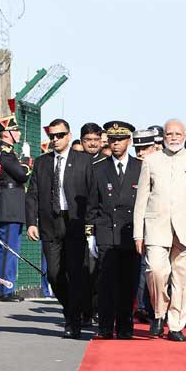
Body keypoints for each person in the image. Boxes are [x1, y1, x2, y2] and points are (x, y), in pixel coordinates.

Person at [133, 119, 186, 342]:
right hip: (156, 227)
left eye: (178, 134)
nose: (174, 137)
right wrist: (138, 233)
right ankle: (159, 312)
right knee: (156, 271)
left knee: (183, 279)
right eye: (169, 134)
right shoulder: (151, 161)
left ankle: (176, 324)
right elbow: (141, 200)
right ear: (163, 137)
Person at [26, 119, 94, 339]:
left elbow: (93, 193)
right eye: (51, 135)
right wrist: (31, 222)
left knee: (74, 272)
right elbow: (33, 194)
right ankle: (70, 308)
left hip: (75, 222)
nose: (55, 139)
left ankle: (73, 321)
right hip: (50, 222)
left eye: (59, 135)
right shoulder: (42, 162)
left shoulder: (84, 161)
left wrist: (91, 224)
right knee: (54, 275)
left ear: (68, 135)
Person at [86, 121, 141, 339]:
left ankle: (126, 326)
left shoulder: (140, 167)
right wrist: (90, 234)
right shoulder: (99, 168)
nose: (116, 144)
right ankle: (106, 326)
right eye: (112, 140)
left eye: (120, 140)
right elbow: (92, 204)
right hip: (107, 230)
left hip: (131, 232)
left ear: (129, 141)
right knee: (107, 282)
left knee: (129, 282)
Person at [0, 99, 32, 303]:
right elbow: (22, 174)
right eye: (15, 130)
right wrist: (27, 160)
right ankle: (4, 289)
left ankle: (8, 286)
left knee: (11, 248)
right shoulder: (5, 154)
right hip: (9, 203)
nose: (18, 134)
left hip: (14, 202)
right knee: (8, 248)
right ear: (6, 133)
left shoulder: (10, 153)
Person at [130, 128, 158, 323]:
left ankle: (157, 310)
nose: (140, 153)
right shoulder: (134, 168)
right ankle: (142, 308)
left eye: (145, 148)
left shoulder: (164, 167)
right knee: (141, 270)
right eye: (138, 148)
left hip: (160, 227)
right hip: (138, 228)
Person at [79, 122, 105, 327]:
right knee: (78, 271)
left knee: (96, 271)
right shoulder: (74, 162)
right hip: (75, 223)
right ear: (82, 142)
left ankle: (95, 310)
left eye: (96, 140)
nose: (93, 144)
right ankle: (82, 310)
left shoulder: (105, 163)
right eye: (88, 140)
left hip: (99, 224)